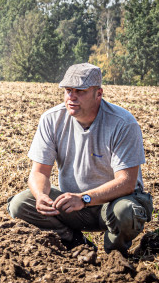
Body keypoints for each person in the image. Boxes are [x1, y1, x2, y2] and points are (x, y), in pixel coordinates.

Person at [8, 63, 153, 255]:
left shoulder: (123, 123)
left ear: (98, 94)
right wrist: (41, 195)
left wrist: (84, 198)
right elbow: (39, 172)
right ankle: (77, 244)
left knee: (126, 211)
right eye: (68, 90)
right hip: (73, 205)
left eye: (80, 91)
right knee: (21, 204)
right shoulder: (52, 119)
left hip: (114, 202)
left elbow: (126, 182)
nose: (71, 97)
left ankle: (115, 256)